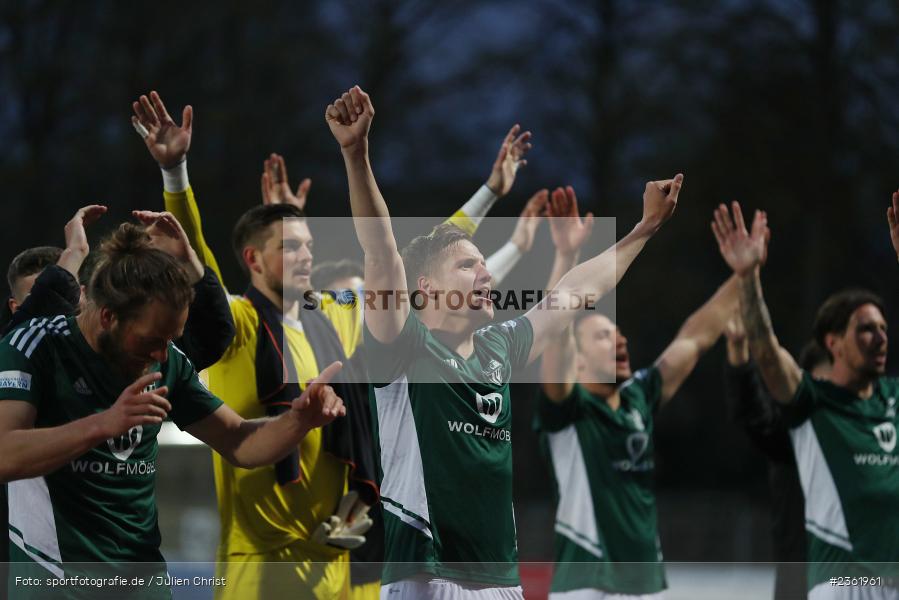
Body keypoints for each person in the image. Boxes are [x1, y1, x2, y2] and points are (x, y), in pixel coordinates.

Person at [131, 89, 540, 600]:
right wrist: (175, 174)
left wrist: (489, 193)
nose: (306, 256)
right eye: (291, 247)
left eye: (309, 245)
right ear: (253, 259)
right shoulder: (241, 323)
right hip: (264, 566)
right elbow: (198, 269)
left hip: (343, 557)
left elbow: (412, 259)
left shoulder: (338, 317)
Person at [327, 84, 682, 598]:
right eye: (466, 265)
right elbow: (381, 249)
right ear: (425, 287)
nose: (485, 273)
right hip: (426, 577)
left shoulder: (500, 347)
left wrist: (645, 227)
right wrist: (356, 155)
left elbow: (576, 291)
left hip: (501, 582)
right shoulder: (403, 346)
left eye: (483, 264)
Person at [0, 223, 345, 600]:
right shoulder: (36, 345)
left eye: (170, 340)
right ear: (108, 317)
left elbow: (239, 441)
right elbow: (6, 454)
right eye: (152, 340)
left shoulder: (167, 362)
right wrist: (103, 424)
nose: (162, 354)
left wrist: (298, 420)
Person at [533, 187, 741, 599]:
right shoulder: (568, 410)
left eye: (619, 333)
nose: (620, 340)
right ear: (576, 363)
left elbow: (694, 338)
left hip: (648, 585)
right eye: (603, 336)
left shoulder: (638, 397)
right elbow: (554, 327)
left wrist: (744, 275)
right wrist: (566, 257)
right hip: (586, 586)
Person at [713, 199, 899, 599]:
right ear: (834, 343)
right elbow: (767, 353)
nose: (880, 338)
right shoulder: (813, 403)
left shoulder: (894, 399)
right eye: (866, 329)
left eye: (884, 328)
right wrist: (748, 278)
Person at [725, 321, 831, 600]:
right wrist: (739, 357)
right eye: (822, 387)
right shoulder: (795, 438)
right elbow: (757, 417)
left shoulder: (873, 440)